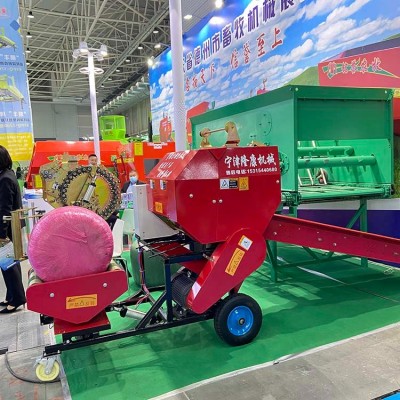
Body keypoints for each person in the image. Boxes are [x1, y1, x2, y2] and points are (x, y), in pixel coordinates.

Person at [0, 145, 26, 313]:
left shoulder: (5, 179)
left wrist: (2, 234)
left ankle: (17, 298)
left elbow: (5, 208)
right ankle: (11, 295)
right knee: (7, 264)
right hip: (10, 225)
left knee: (9, 264)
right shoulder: (7, 175)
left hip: (8, 227)